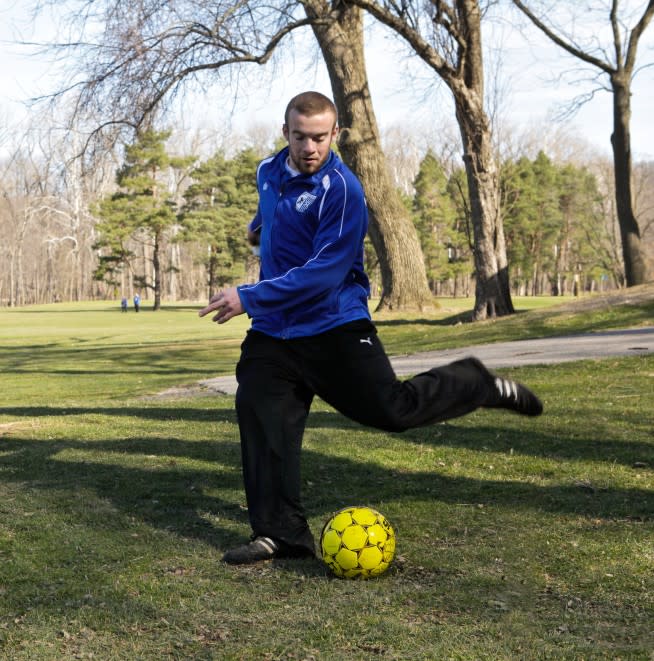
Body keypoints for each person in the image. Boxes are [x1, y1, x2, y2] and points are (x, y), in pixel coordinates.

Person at [199, 91, 543, 565]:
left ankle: (474, 383)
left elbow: (323, 271)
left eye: (320, 137)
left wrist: (249, 296)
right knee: (262, 417)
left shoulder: (343, 190)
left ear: (334, 134)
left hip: (333, 324)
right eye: (300, 136)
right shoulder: (267, 172)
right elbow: (268, 219)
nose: (310, 147)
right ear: (286, 133)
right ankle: (281, 535)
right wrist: (260, 230)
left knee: (392, 410)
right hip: (275, 333)